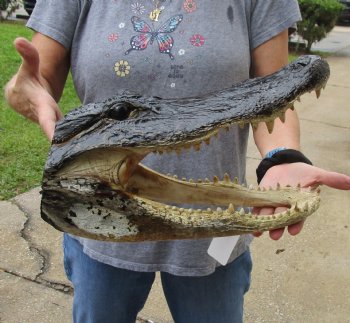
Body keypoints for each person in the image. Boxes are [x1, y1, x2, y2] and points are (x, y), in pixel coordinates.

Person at [5, 1, 350, 322]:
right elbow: (38, 79)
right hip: (101, 224)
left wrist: (281, 156)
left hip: (215, 231)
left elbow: (271, 95)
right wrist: (25, 92)